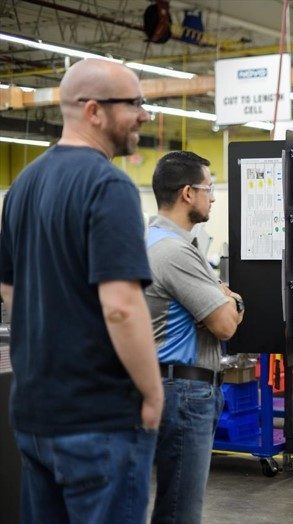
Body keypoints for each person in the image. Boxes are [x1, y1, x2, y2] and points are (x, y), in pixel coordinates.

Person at [0, 59, 162, 523]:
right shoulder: (108, 185)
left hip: (35, 415)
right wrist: (152, 394)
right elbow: (121, 308)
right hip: (100, 420)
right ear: (94, 111)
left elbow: (10, 288)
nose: (144, 115)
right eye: (133, 104)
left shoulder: (24, 185)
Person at [146, 151, 245, 523]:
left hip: (165, 384)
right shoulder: (175, 252)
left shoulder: (153, 239)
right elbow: (225, 324)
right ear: (188, 193)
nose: (214, 197)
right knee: (180, 510)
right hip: (185, 393)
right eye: (209, 188)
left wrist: (225, 300)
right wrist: (231, 299)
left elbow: (221, 308)